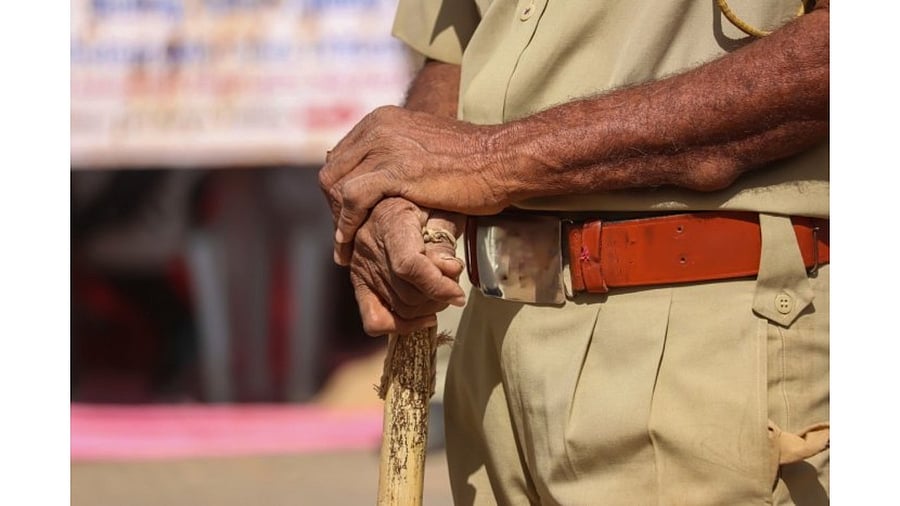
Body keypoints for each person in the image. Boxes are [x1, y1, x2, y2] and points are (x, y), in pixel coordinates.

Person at [320, 0, 829, 504]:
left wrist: (490, 160)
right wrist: (406, 195)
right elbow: (456, 48)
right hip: (491, 344)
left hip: (705, 334)